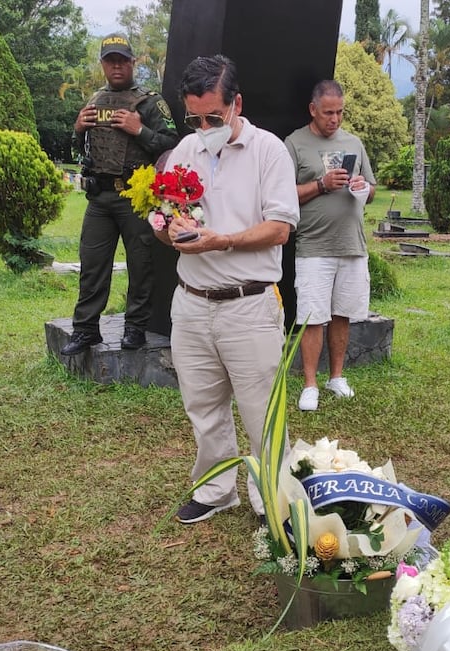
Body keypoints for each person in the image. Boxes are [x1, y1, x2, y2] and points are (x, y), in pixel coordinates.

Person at [152, 55, 300, 524]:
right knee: (202, 405)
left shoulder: (268, 151)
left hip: (248, 304)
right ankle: (216, 490)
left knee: (262, 412)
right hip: (192, 302)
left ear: (237, 104)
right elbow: (162, 218)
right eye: (193, 118)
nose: (203, 126)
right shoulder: (184, 151)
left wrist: (223, 241)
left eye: (213, 117)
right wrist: (167, 231)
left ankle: (271, 498)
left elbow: (280, 228)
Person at [61, 34, 179, 355]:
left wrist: (139, 130)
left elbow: (173, 144)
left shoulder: (150, 102)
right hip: (99, 198)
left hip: (134, 197)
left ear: (132, 63)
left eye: (122, 60)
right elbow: (79, 150)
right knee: (92, 264)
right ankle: (86, 330)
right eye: (110, 60)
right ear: (102, 64)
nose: (116, 66)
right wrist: (78, 128)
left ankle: (135, 328)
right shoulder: (94, 100)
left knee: (141, 265)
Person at [284, 80, 376, 412]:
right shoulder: (295, 143)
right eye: (328, 113)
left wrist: (363, 186)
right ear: (313, 110)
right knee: (313, 317)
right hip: (314, 245)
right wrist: (321, 185)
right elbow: (282, 194)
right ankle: (310, 384)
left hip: (352, 245)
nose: (334, 119)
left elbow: (373, 189)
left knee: (342, 314)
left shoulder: (354, 142)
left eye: (339, 112)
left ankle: (336, 377)